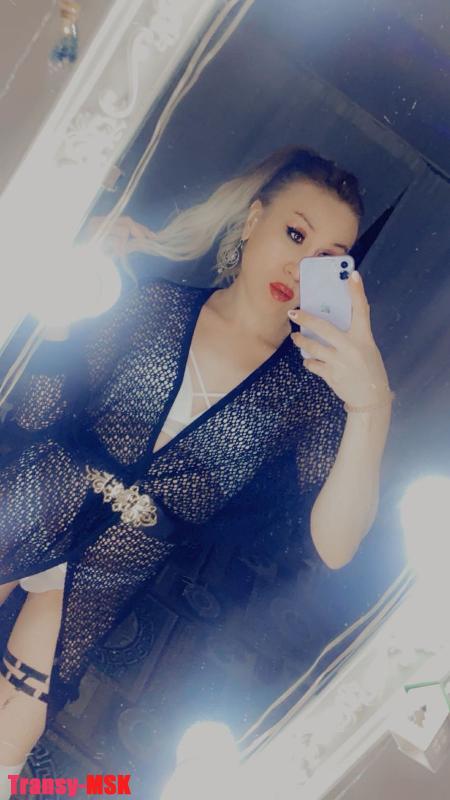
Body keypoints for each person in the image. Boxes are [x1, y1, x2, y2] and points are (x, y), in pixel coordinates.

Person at [0, 145, 393, 794]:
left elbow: (337, 546)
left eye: (328, 260)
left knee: (10, 748)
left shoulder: (306, 398)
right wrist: (71, 301)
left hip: (115, 562)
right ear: (254, 220)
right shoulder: (156, 303)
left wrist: (372, 404)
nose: (300, 268)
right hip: (38, 497)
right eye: (295, 234)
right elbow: (43, 409)